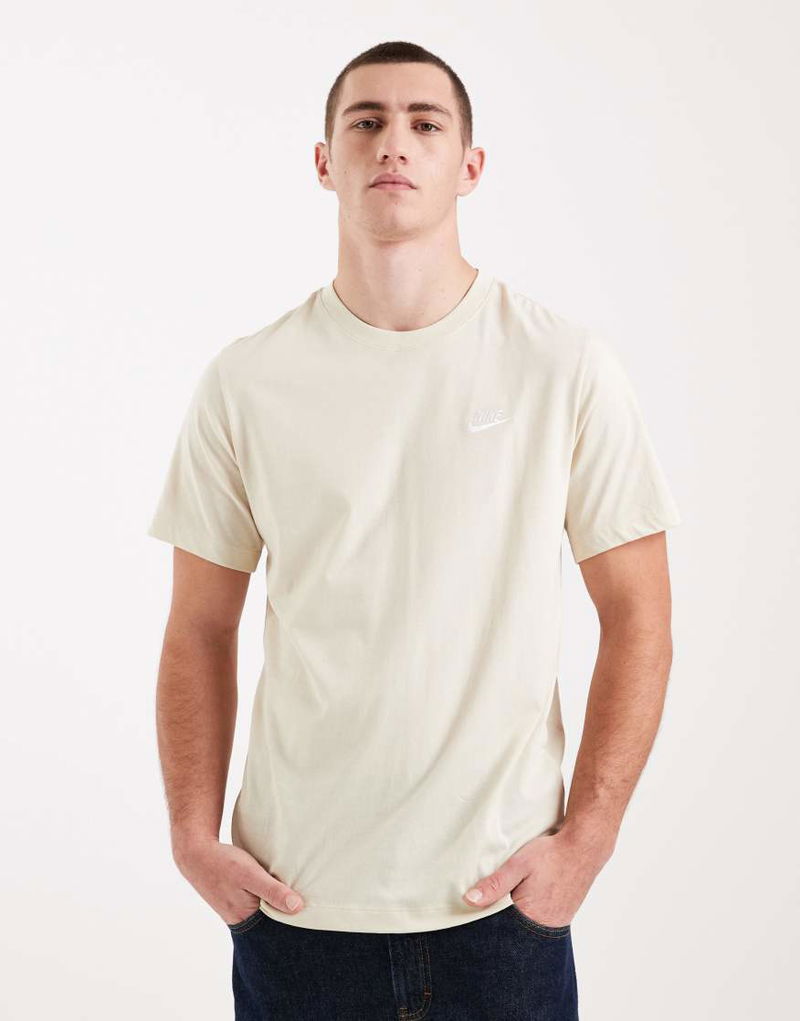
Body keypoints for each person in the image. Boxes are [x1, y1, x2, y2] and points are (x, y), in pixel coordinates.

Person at [147, 39, 681, 1021]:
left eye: (424, 123)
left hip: (500, 913)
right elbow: (199, 625)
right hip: (296, 909)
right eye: (367, 121)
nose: (394, 141)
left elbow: (638, 613)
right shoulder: (248, 381)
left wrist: (588, 839)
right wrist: (191, 834)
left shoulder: (560, 366)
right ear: (325, 161)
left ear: (468, 166)